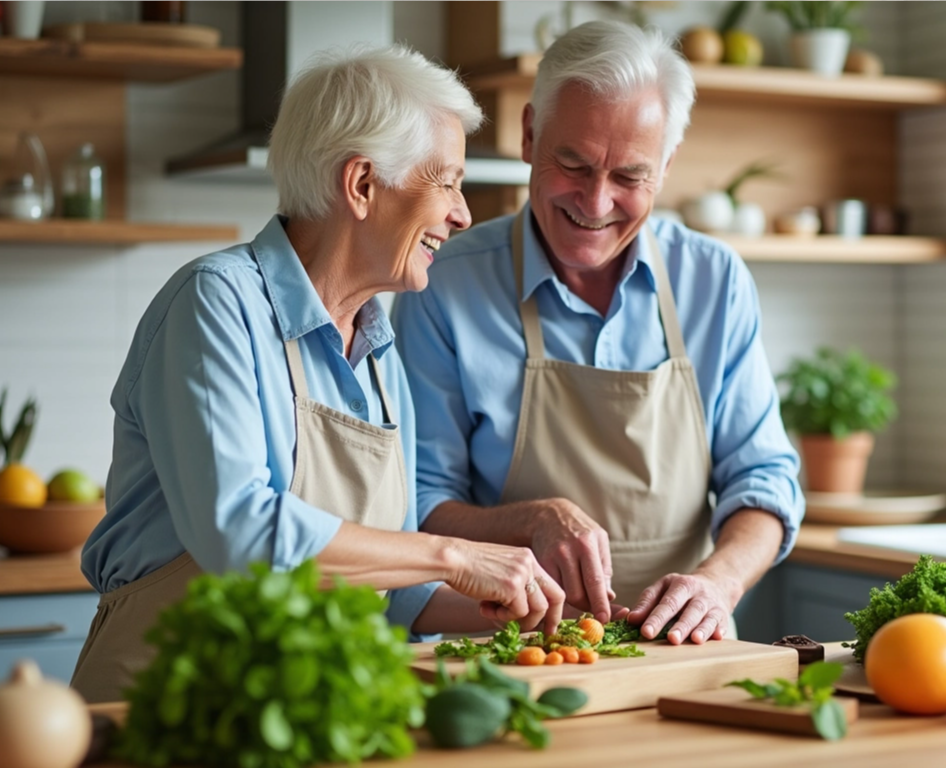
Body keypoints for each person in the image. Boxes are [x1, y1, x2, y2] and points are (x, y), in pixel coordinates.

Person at [72, 47, 564, 703]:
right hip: (169, 702)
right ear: (361, 184)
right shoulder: (217, 304)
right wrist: (456, 556)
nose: (462, 212)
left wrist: (505, 606)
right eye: (446, 182)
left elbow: (390, 588)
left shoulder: (380, 347)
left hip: (299, 707)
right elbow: (240, 536)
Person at [392, 21, 804, 647]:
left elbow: (765, 480)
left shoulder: (713, 281)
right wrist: (534, 520)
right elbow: (418, 502)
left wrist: (717, 585)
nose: (595, 201)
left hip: (680, 646)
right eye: (573, 163)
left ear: (665, 167)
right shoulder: (444, 282)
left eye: (629, 176)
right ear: (530, 135)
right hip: (508, 646)